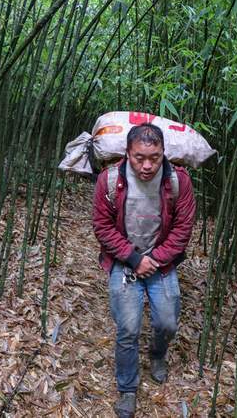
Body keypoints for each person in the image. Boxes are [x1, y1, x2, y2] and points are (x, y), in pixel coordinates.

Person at [92, 123, 196, 418]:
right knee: (128, 328)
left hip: (161, 263)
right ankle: (127, 388)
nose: (148, 165)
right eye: (140, 158)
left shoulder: (178, 182)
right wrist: (133, 258)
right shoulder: (110, 180)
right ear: (127, 153)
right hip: (125, 262)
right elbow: (102, 226)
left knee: (167, 323)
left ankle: (158, 354)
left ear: (164, 153)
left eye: (155, 157)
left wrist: (156, 259)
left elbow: (182, 229)